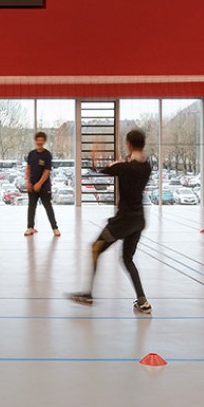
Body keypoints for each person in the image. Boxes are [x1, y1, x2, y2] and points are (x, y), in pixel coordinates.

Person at [68, 128, 153, 314]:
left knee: (95, 248)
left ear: (129, 144)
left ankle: (88, 294)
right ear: (143, 144)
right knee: (127, 259)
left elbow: (102, 169)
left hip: (122, 222)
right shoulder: (147, 165)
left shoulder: (125, 167)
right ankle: (143, 302)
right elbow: (130, 163)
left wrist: (95, 156)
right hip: (139, 220)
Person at [24, 131, 59, 237]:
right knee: (31, 207)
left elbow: (47, 171)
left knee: (48, 207)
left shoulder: (47, 154)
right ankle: (30, 227)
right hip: (32, 186)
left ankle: (55, 228)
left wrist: (39, 183)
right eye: (38, 139)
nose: (39, 141)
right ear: (35, 141)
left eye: (41, 140)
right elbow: (28, 168)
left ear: (44, 141)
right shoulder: (31, 154)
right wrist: (29, 182)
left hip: (44, 186)